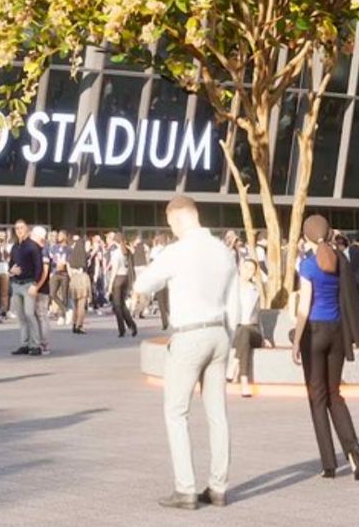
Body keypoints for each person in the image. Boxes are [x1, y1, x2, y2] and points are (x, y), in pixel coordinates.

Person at [132, 195, 239, 510]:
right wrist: (230, 343)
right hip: (219, 332)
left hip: (190, 335)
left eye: (171, 223)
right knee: (217, 414)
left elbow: (144, 282)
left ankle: (186, 488)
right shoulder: (223, 251)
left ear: (177, 218)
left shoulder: (176, 251)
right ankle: (218, 487)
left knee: (176, 412)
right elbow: (234, 302)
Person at [292, 215, 359, 480]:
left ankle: (329, 464)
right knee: (335, 394)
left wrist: (295, 343)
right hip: (337, 332)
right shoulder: (340, 260)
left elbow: (304, 308)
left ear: (306, 236)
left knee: (318, 398)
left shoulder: (308, 265)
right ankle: (354, 453)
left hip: (314, 332)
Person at [229, 259, 272, 398]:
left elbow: (257, 317)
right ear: (240, 268)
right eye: (246, 267)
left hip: (253, 331)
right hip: (235, 331)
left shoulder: (255, 291)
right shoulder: (230, 288)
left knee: (246, 330)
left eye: (251, 269)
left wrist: (265, 338)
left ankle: (236, 367)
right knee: (243, 333)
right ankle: (243, 381)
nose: (248, 271)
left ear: (254, 273)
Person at [9, 220, 44, 356]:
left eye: (21, 228)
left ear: (27, 229)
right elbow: (10, 264)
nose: (19, 231)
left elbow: (39, 266)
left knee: (30, 314)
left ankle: (35, 345)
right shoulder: (15, 247)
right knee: (21, 316)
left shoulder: (33, 246)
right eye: (16, 228)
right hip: (16, 284)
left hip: (29, 284)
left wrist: (35, 284)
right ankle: (24, 344)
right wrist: (12, 270)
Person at [107, 232, 138, 338]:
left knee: (117, 306)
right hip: (126, 277)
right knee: (122, 304)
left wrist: (110, 285)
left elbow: (114, 269)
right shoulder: (127, 251)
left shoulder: (116, 253)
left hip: (118, 278)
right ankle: (132, 325)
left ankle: (122, 329)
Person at [31, 226, 52, 355]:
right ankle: (36, 342)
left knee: (41, 316)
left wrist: (37, 287)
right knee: (35, 316)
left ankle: (44, 344)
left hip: (41, 289)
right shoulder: (37, 250)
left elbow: (44, 272)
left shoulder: (43, 251)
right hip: (35, 287)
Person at [68, 235, 90, 334]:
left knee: (75, 304)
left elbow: (68, 265)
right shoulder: (85, 255)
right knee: (82, 304)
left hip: (73, 278)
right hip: (82, 278)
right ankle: (79, 325)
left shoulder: (71, 255)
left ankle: (73, 323)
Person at [49, 231, 72, 325]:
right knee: (52, 293)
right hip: (55, 272)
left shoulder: (69, 249)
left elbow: (69, 262)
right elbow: (51, 260)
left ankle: (62, 316)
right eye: (58, 235)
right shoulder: (54, 248)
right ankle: (66, 310)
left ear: (66, 237)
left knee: (64, 295)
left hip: (64, 274)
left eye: (61, 235)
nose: (59, 237)